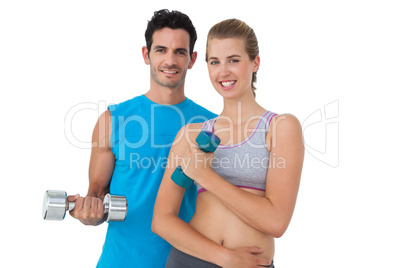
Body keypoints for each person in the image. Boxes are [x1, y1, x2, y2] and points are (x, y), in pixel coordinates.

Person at [67, 9, 217, 267]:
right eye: (161, 50)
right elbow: (96, 195)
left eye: (179, 52)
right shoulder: (113, 120)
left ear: (192, 59)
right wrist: (88, 214)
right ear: (146, 55)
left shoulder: (211, 126)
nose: (170, 60)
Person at [152, 19, 304, 267]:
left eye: (233, 60)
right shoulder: (190, 135)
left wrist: (205, 176)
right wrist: (226, 258)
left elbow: (277, 222)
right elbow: (162, 220)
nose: (223, 72)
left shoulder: (281, 127)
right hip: (189, 261)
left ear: (255, 62)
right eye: (215, 62)